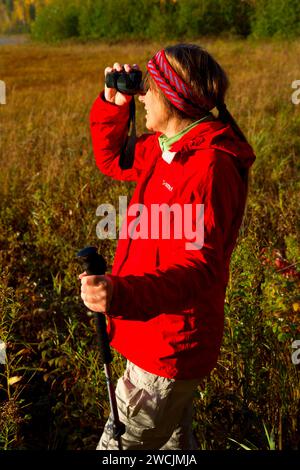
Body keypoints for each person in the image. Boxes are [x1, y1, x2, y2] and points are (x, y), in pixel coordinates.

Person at [79, 43, 256, 450]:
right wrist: (115, 105)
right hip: (151, 335)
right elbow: (112, 162)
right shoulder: (167, 148)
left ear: (175, 97)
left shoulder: (208, 166)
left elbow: (199, 268)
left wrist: (120, 293)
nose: (142, 94)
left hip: (167, 348)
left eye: (149, 87)